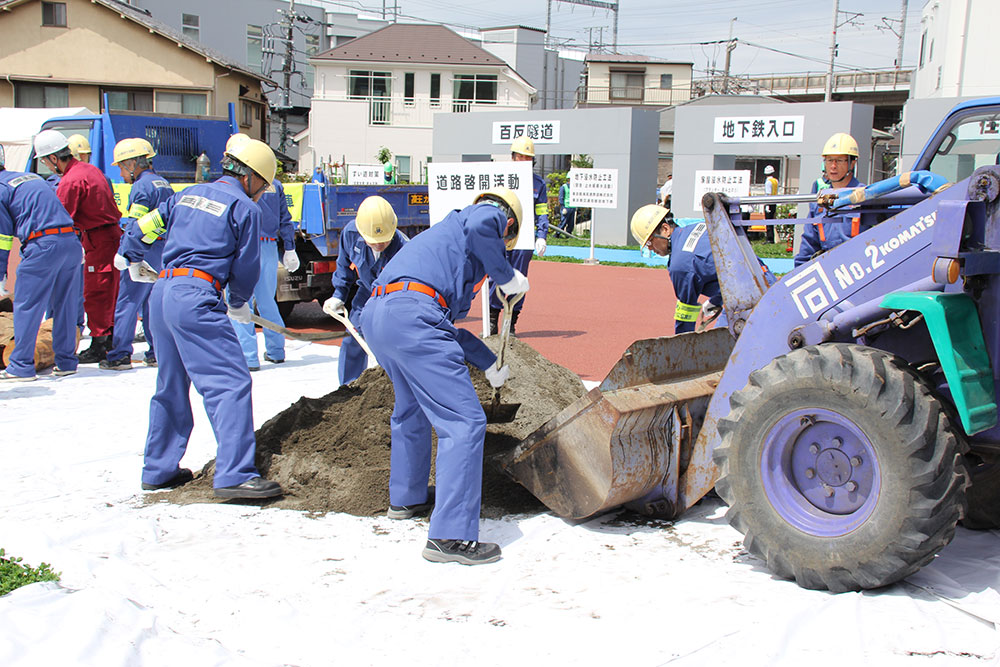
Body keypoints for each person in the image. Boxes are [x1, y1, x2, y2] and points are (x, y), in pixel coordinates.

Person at [361, 187, 528, 565]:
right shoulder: (488, 214)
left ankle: (406, 498)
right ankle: (450, 537)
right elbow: (486, 222)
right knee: (465, 422)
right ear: (509, 223)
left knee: (410, 411)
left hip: (382, 314)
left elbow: (440, 325)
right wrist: (506, 275)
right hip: (412, 315)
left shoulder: (442, 247)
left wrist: (488, 363)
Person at [119, 137, 283, 499]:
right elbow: (246, 265)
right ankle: (235, 474)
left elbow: (144, 227)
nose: (260, 194)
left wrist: (131, 256)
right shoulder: (244, 208)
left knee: (171, 384)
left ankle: (158, 469)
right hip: (196, 295)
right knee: (229, 383)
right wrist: (239, 301)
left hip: (162, 292)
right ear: (251, 178)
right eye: (262, 187)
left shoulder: (186, 194)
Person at [33, 129, 123, 364]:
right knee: (110, 289)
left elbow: (61, 219)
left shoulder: (71, 181)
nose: (46, 166)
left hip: (98, 240)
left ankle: (100, 344)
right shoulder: (89, 170)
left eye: (45, 161)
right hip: (107, 236)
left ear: (54, 158)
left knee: (97, 292)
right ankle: (109, 338)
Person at [0, 144, 84, 381]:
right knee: (65, 306)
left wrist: (0, 274)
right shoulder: (27, 178)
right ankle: (67, 361)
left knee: (28, 305)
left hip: (43, 246)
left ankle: (21, 365)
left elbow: (3, 237)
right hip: (71, 243)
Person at [630, 204, 775, 335]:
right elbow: (728, 266)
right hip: (767, 283)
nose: (649, 248)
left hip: (749, 301)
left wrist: (681, 351)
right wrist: (716, 300)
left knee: (723, 351)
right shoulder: (697, 227)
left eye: (649, 241)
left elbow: (685, 315)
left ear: (665, 229)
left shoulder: (680, 265)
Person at [226, 134, 299, 370]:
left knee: (239, 302)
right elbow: (285, 220)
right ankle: (276, 351)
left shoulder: (233, 187)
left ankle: (248, 357)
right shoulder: (274, 184)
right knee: (267, 301)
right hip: (267, 247)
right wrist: (289, 248)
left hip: (242, 247)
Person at [99, 138, 174, 371]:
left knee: (128, 302)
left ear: (133, 163)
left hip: (142, 250)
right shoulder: (164, 184)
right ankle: (156, 352)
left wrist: (126, 252)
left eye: (122, 166)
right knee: (153, 304)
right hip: (162, 250)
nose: (121, 173)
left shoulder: (141, 187)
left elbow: (136, 225)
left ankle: (120, 354)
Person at [322, 195, 406, 386]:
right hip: (367, 292)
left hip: (393, 298)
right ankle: (349, 387)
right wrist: (339, 295)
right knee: (353, 339)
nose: (378, 245)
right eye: (373, 241)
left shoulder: (403, 248)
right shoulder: (351, 234)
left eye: (383, 241)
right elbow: (344, 265)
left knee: (389, 345)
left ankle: (396, 388)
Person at [487, 136, 548, 335]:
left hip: (524, 240)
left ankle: (511, 323)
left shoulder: (538, 185)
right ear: (512, 158)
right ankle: (492, 320)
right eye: (519, 157)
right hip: (499, 237)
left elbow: (542, 212)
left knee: (519, 279)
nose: (523, 161)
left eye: (527, 158)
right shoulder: (500, 178)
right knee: (495, 276)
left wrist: (542, 235)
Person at [794, 132, 868, 267]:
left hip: (859, 268)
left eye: (839, 160)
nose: (833, 166)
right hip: (829, 268)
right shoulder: (822, 199)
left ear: (852, 163)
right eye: (829, 160)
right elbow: (809, 241)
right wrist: (798, 270)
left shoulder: (864, 197)